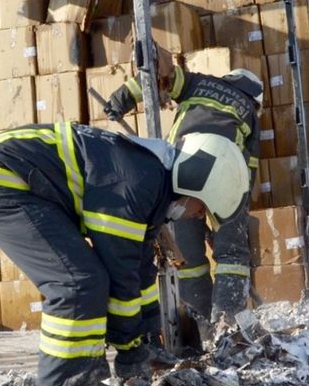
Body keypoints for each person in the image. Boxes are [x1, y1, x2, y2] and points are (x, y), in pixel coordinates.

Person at [0, 122, 249, 386]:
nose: (199, 217)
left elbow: (140, 270)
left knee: (87, 280)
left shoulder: (152, 181)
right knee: (77, 284)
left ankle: (81, 382)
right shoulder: (135, 183)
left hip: (15, 176)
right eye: (203, 208)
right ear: (194, 182)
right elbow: (119, 271)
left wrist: (147, 341)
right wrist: (128, 350)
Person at [106, 45, 264, 325]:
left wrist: (121, 100)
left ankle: (199, 322)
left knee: (188, 256)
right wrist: (230, 220)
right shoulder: (250, 112)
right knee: (232, 256)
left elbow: (156, 77)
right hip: (223, 176)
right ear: (256, 99)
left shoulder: (200, 83)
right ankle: (228, 323)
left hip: (181, 168)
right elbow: (247, 171)